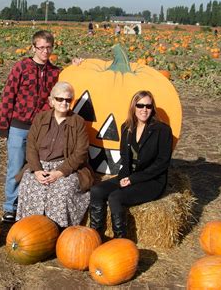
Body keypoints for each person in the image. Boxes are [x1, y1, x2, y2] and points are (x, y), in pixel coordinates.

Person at [89, 90, 173, 238]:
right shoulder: (126, 127)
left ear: (152, 108)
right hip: (130, 176)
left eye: (148, 106)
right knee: (97, 190)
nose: (144, 109)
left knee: (115, 197)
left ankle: (120, 240)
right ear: (133, 107)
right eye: (140, 105)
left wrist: (133, 180)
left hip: (152, 181)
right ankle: (94, 235)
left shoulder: (162, 130)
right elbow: (124, 158)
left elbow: (162, 164)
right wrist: (124, 176)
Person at [0, 30, 61, 223]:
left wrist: (78, 66)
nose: (45, 51)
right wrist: (4, 125)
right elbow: (8, 96)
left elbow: (66, 86)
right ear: (33, 47)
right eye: (41, 47)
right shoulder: (21, 68)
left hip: (40, 128)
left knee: (36, 167)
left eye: (48, 47)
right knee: (15, 167)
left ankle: (30, 205)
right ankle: (10, 207)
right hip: (18, 126)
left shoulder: (55, 72)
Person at [15, 82, 94, 228]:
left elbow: (80, 152)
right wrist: (37, 170)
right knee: (29, 183)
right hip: (40, 165)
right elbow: (31, 145)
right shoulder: (41, 118)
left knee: (61, 191)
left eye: (68, 100)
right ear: (52, 101)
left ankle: (58, 230)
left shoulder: (78, 122)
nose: (64, 103)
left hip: (66, 167)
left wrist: (59, 172)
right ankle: (31, 228)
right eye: (59, 99)